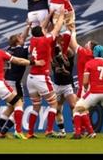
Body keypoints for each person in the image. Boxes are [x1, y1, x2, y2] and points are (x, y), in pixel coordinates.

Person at [25, 10, 65, 138]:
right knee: (53, 104)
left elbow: (41, 27)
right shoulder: (45, 40)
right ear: (42, 32)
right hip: (41, 77)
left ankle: (30, 133)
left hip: (30, 78)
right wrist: (62, 15)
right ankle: (48, 131)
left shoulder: (32, 41)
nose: (45, 30)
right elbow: (57, 28)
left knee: (36, 106)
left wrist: (50, 14)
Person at [72, 45, 103, 139]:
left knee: (77, 109)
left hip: (94, 92)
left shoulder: (89, 63)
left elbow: (85, 82)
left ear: (94, 53)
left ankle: (78, 133)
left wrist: (86, 89)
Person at [0, 22, 32, 138]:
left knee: (10, 107)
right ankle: (14, 131)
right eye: (21, 37)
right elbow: (34, 45)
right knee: (19, 106)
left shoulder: (8, 50)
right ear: (18, 40)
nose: (23, 38)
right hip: (14, 82)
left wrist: (27, 27)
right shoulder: (21, 51)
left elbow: (22, 38)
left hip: (6, 81)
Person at [68, 26, 97, 136]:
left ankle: (81, 131)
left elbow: (73, 43)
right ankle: (85, 130)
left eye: (88, 43)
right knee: (80, 108)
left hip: (85, 86)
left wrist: (73, 31)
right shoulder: (91, 55)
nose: (86, 44)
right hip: (87, 86)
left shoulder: (86, 53)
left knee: (78, 108)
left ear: (91, 48)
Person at [51, 31, 77, 138]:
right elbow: (55, 67)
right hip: (57, 85)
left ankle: (77, 129)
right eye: (58, 43)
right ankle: (62, 131)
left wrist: (63, 50)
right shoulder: (53, 55)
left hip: (67, 84)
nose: (59, 45)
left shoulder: (68, 54)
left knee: (73, 106)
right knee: (57, 109)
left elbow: (71, 53)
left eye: (61, 43)